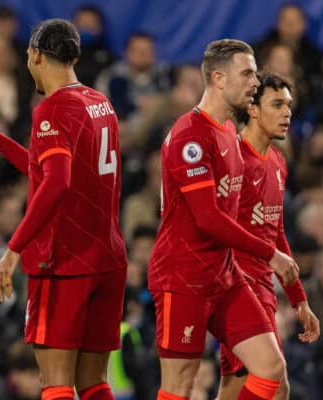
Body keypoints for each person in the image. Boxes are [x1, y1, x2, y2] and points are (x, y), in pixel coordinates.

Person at [0, 19, 128, 400]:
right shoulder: (100, 103)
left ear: (37, 55)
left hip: (64, 262)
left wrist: (13, 249)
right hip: (107, 259)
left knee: (56, 383)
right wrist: (2, 144)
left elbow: (56, 183)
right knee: (94, 383)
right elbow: (58, 172)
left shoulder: (52, 109)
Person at [147, 39, 301, 400]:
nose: (254, 81)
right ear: (218, 78)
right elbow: (207, 218)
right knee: (180, 384)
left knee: (271, 369)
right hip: (182, 277)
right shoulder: (190, 136)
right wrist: (271, 254)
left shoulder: (229, 132)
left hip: (224, 277)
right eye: (247, 73)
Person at [216, 72, 320, 399]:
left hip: (262, 287)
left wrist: (298, 298)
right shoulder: (232, 159)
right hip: (235, 286)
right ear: (254, 109)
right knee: (275, 383)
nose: (287, 113)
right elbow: (214, 226)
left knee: (237, 386)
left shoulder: (277, 161)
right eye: (277, 104)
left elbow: (274, 233)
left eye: (289, 105)